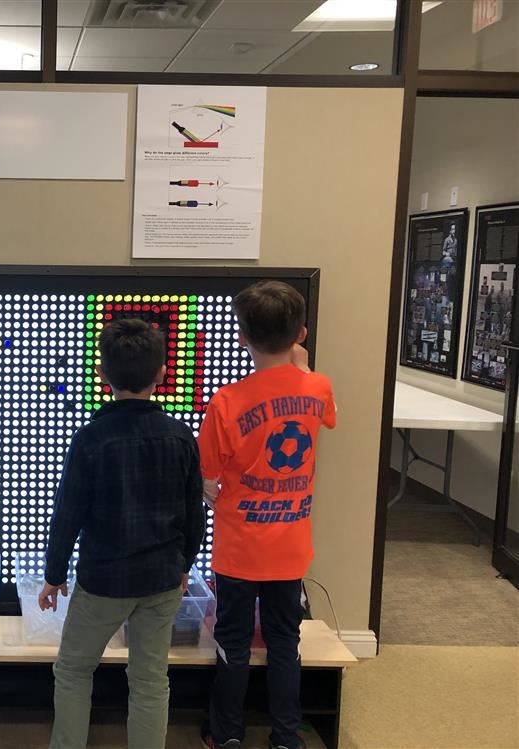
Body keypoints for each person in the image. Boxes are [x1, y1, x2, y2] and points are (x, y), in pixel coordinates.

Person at [39, 318, 206, 749]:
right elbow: (194, 512)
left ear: (102, 373)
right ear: (161, 373)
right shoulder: (180, 436)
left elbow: (68, 513)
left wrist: (54, 574)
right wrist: (185, 564)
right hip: (162, 578)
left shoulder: (91, 438)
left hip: (104, 580)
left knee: (74, 669)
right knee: (150, 680)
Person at [199, 281, 336, 749]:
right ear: (300, 334)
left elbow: (208, 474)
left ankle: (226, 735)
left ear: (241, 337)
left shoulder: (226, 401)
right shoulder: (317, 387)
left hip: (238, 549)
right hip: (290, 549)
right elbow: (328, 414)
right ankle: (286, 736)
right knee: (284, 642)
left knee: (232, 644)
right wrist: (303, 366)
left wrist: (212, 492)